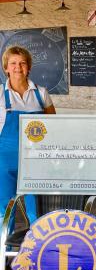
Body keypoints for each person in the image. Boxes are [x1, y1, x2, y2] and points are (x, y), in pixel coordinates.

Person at [0, 46, 56, 233]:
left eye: (22, 63)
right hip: (4, 162)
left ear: (29, 67)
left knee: (37, 211)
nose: (18, 67)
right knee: (5, 210)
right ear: (6, 67)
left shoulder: (41, 93)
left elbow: (55, 126)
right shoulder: (0, 94)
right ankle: (3, 255)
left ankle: (36, 254)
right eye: (13, 63)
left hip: (36, 162)